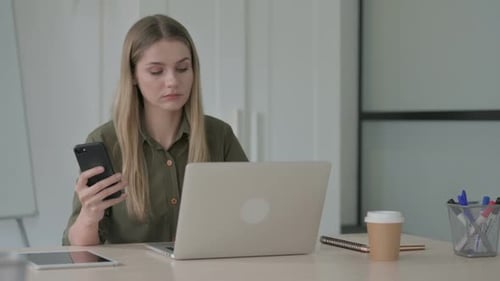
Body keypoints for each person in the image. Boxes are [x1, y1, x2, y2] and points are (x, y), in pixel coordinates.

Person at [62, 14, 247, 246]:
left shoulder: (219, 136)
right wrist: (89, 216)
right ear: (133, 76)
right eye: (156, 71)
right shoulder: (105, 141)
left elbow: (248, 218)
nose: (172, 81)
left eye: (182, 68)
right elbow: (79, 250)